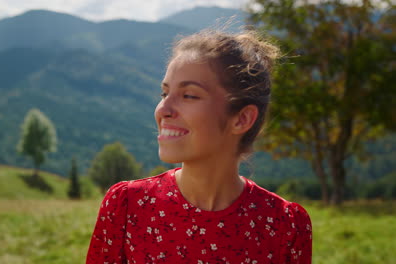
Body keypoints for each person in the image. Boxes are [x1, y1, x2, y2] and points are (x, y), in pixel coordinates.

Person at [86, 30, 312, 263]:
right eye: (164, 93)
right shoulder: (127, 206)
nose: (163, 110)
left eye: (189, 96)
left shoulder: (286, 226)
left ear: (242, 119)